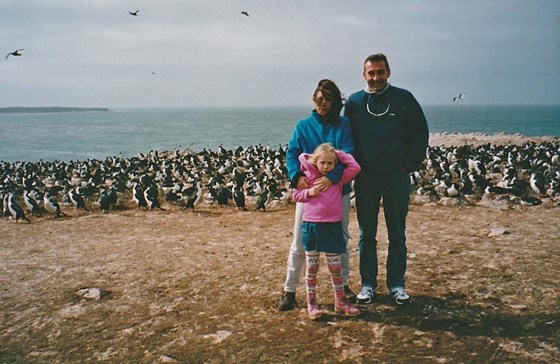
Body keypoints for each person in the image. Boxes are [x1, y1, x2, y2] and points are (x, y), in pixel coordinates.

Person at [344, 53, 429, 305]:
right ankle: (368, 284)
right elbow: (345, 137)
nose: (376, 77)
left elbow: (420, 133)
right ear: (364, 75)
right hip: (366, 178)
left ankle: (396, 284)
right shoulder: (354, 103)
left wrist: (408, 165)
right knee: (365, 234)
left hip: (396, 177)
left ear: (388, 72)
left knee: (397, 234)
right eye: (371, 73)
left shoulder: (404, 99)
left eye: (380, 72)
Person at [278, 79, 356, 311]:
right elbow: (292, 153)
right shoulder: (303, 126)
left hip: (337, 194)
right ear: (314, 99)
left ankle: (343, 286)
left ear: (335, 102)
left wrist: (332, 178)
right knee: (300, 243)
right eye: (319, 98)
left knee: (340, 239)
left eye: (328, 99)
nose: (323, 103)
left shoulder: (344, 126)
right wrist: (296, 177)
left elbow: (349, 154)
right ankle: (289, 289)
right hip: (309, 195)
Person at [292, 143, 361, 319]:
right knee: (312, 268)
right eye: (322, 162)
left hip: (332, 227)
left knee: (335, 268)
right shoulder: (306, 177)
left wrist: (338, 153)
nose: (326, 166)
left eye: (331, 163)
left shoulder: (337, 178)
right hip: (311, 227)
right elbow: (295, 195)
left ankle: (340, 302)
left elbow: (355, 167)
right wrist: (310, 192)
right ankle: (312, 304)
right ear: (315, 161)